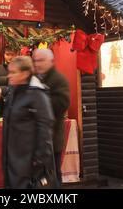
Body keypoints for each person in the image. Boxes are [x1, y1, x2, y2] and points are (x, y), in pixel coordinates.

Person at [0, 55, 56, 189]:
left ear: (25, 73)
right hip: (13, 158)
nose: (9, 76)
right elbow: (9, 115)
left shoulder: (37, 94)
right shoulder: (15, 91)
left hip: (28, 162)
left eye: (13, 72)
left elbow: (45, 129)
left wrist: (38, 162)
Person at [32, 48, 70, 187]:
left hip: (51, 139)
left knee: (52, 177)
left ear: (51, 61)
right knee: (37, 178)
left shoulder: (59, 79)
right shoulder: (34, 77)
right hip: (35, 139)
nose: (37, 64)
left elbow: (63, 103)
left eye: (41, 60)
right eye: (35, 60)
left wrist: (38, 102)